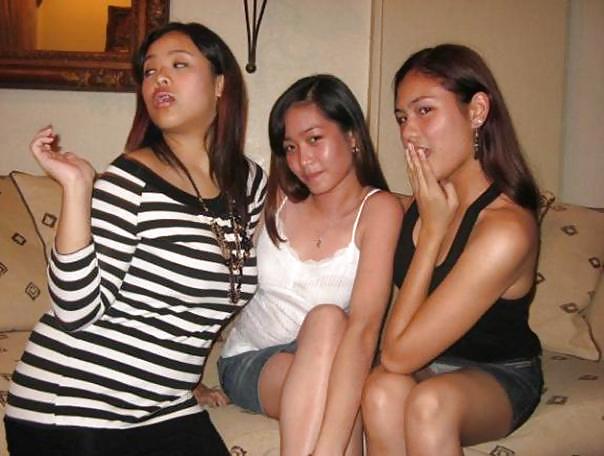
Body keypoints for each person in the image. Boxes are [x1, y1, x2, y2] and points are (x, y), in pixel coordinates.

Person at [4, 22, 267, 456]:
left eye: (179, 65)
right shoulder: (130, 179)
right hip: (74, 405)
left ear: (221, 84)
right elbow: (75, 309)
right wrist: (77, 188)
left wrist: (187, 378)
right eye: (149, 71)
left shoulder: (250, 184)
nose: (159, 78)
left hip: (165, 407)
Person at [361, 44, 544, 455]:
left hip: (497, 374)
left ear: (477, 111)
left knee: (430, 405)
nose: (408, 132)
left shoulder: (506, 230)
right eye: (402, 117)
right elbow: (394, 356)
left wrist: (431, 235)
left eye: (425, 110)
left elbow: (397, 354)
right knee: (381, 391)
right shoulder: (424, 202)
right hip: (428, 362)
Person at [215, 74, 403, 456]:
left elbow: (365, 327)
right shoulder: (276, 198)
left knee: (329, 323)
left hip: (331, 356)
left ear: (352, 135)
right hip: (252, 360)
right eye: (290, 147)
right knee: (332, 349)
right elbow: (209, 276)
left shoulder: (379, 210)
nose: (302, 160)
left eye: (315, 139)